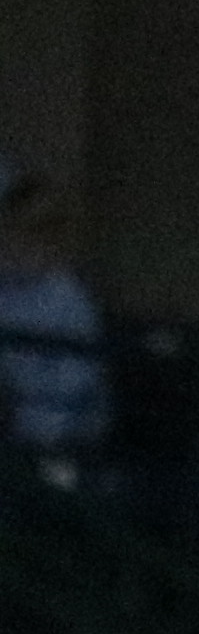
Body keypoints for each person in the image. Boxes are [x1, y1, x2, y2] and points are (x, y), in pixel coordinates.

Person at [0, 163, 101, 459]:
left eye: (30, 239)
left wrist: (26, 406)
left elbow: (76, 382)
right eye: (9, 236)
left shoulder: (67, 298)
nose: (15, 248)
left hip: (52, 430)